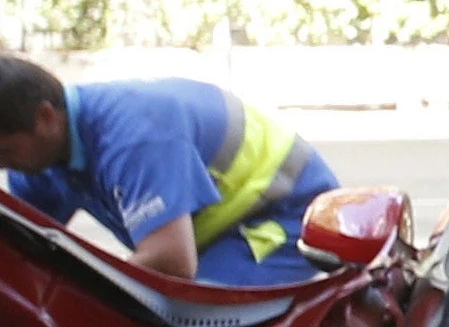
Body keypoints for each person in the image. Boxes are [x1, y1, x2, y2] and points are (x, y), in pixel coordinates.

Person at [0, 55, 339, 286]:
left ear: (45, 117)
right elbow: (22, 255)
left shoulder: (132, 138)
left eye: (5, 152)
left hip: (287, 217)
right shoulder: (37, 156)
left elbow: (171, 261)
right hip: (207, 235)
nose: (3, 166)